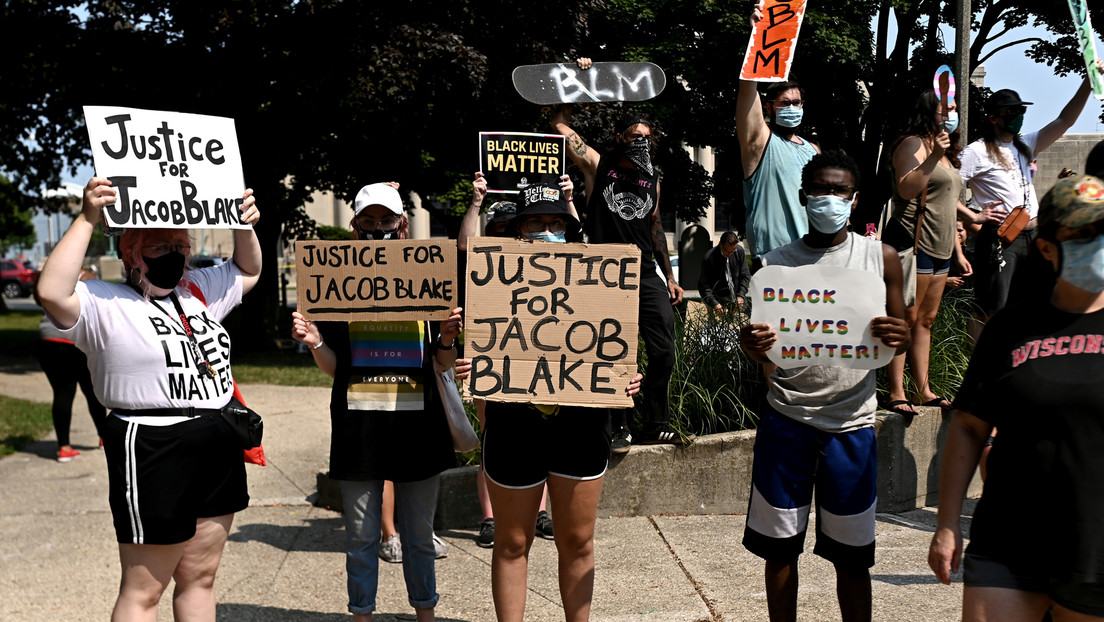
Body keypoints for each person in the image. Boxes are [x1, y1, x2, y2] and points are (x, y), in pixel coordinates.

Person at [35, 177, 261, 621]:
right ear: (131, 254)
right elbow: (52, 291)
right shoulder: (103, 301)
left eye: (180, 245)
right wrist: (87, 218)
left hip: (216, 438)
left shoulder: (196, 291)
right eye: (159, 247)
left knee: (200, 577)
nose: (174, 254)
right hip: (153, 445)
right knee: (144, 590)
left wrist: (243, 224)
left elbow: (247, 270)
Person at [458, 181, 644, 622]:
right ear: (517, 230)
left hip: (581, 428)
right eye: (536, 223)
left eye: (557, 223)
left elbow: (614, 345)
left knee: (577, 541)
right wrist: (467, 362)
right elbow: (466, 256)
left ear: (569, 229)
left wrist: (627, 377)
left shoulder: (597, 279)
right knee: (511, 542)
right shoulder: (492, 279)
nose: (547, 231)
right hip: (513, 426)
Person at [739, 151, 910, 622]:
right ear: (803, 196)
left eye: (839, 190)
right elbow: (763, 346)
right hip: (786, 420)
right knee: (779, 552)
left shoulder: (881, 258)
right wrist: (752, 346)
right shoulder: (774, 266)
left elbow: (901, 331)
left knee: (852, 559)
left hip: (852, 426)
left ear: (854, 200)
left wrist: (899, 334)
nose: (829, 198)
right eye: (820, 189)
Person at [928, 175, 1104, 621]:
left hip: (1096, 550)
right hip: (1008, 542)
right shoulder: (1009, 327)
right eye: (1081, 234)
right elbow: (969, 427)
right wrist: (947, 524)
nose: (1096, 244)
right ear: (1046, 247)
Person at [291, 182, 459, 622]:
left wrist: (446, 338)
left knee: (420, 537)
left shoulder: (429, 278)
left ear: (402, 226)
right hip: (359, 429)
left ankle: (426, 615)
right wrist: (315, 341)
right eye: (368, 221)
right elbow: (336, 369)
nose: (377, 228)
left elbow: (442, 363)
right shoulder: (336, 285)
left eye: (386, 220)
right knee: (361, 538)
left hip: (418, 429)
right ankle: (361, 616)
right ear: (354, 227)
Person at [550, 58, 686, 452]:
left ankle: (655, 423)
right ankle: (618, 426)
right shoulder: (599, 166)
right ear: (619, 138)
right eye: (634, 136)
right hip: (606, 272)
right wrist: (576, 83)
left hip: (645, 272)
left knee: (663, 350)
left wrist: (670, 277)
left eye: (647, 137)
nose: (641, 141)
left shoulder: (653, 179)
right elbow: (560, 127)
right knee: (613, 349)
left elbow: (655, 228)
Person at [457, 172, 565, 548]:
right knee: (492, 437)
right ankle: (490, 518)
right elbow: (464, 247)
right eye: (497, 230)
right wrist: (476, 202)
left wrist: (568, 200)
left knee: (544, 437)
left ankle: (540, 512)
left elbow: (580, 247)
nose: (503, 236)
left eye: (509, 228)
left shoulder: (552, 260)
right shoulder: (483, 268)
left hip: (542, 364)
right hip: (494, 363)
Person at [959, 63, 1102, 327]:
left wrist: (1088, 82)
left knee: (1035, 304)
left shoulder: (1026, 144)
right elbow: (943, 188)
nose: (1018, 116)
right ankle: (986, 353)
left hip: (1033, 235)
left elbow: (1065, 121)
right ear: (994, 118)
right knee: (993, 309)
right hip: (1001, 239)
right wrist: (973, 216)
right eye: (1011, 111)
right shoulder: (976, 152)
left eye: (1021, 111)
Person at [881, 89, 972, 417]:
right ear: (928, 111)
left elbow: (947, 201)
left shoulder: (946, 150)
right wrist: (933, 156)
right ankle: (896, 391)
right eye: (945, 108)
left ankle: (924, 390)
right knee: (906, 318)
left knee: (926, 320)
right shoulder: (912, 144)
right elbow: (907, 188)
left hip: (941, 247)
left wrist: (960, 248)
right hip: (914, 244)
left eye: (954, 108)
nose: (952, 114)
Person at [736, 2, 821, 262]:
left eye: (797, 103)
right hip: (774, 258)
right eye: (785, 103)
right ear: (770, 107)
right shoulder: (760, 142)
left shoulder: (813, 150)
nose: (792, 108)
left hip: (813, 256)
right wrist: (756, 41)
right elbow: (747, 92)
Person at [34, 267, 107, 462]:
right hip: (74, 339)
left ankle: (64, 448)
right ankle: (104, 437)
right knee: (92, 392)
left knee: (62, 393)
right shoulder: (86, 276)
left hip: (47, 338)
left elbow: (38, 299)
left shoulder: (51, 274)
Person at [697, 230, 751, 312]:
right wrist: (714, 303)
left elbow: (745, 275)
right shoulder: (709, 258)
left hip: (739, 302)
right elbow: (703, 285)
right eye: (727, 251)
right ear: (720, 244)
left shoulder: (739, 251)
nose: (730, 254)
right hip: (719, 304)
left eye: (733, 251)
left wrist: (741, 295)